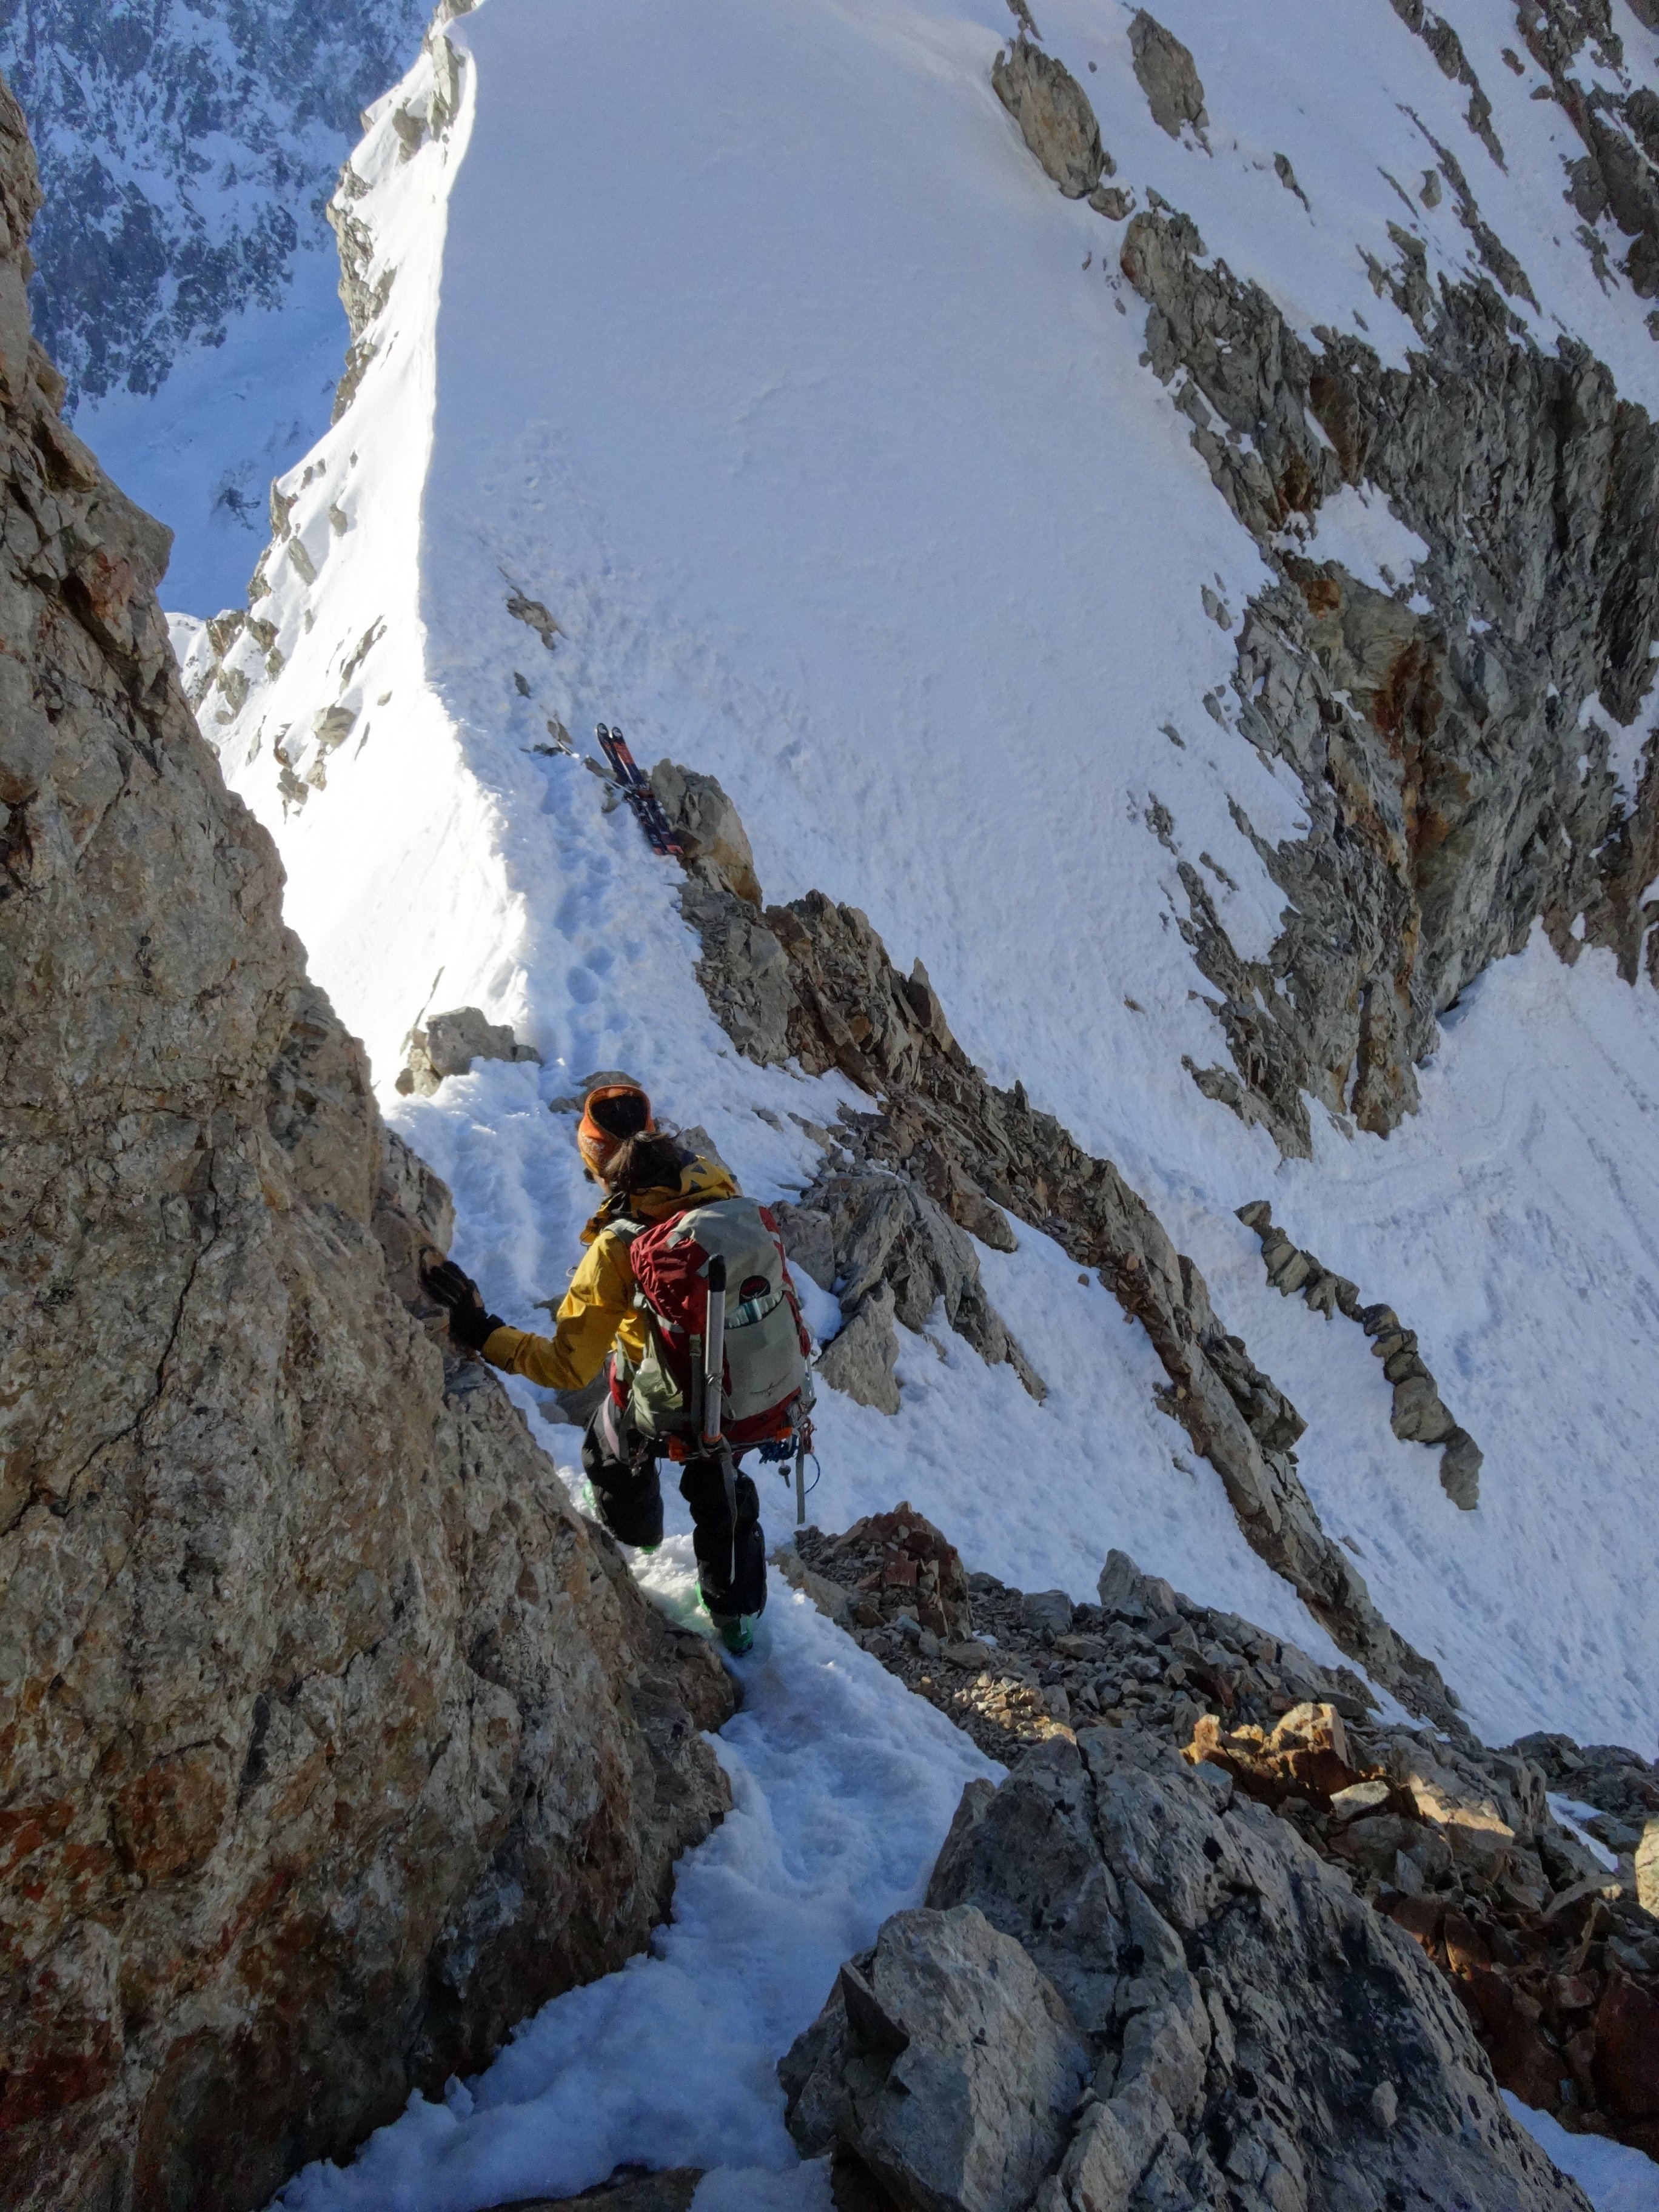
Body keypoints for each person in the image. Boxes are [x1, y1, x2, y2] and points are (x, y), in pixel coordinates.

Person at [421, 1081, 806, 1655]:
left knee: (608, 1449)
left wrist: (483, 1331)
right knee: (721, 1489)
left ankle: (638, 1548)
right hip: (748, 1386)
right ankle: (739, 1623)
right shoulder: (716, 1189)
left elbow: (568, 1366)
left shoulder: (618, 1247)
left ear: (595, 1164)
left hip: (663, 1398)